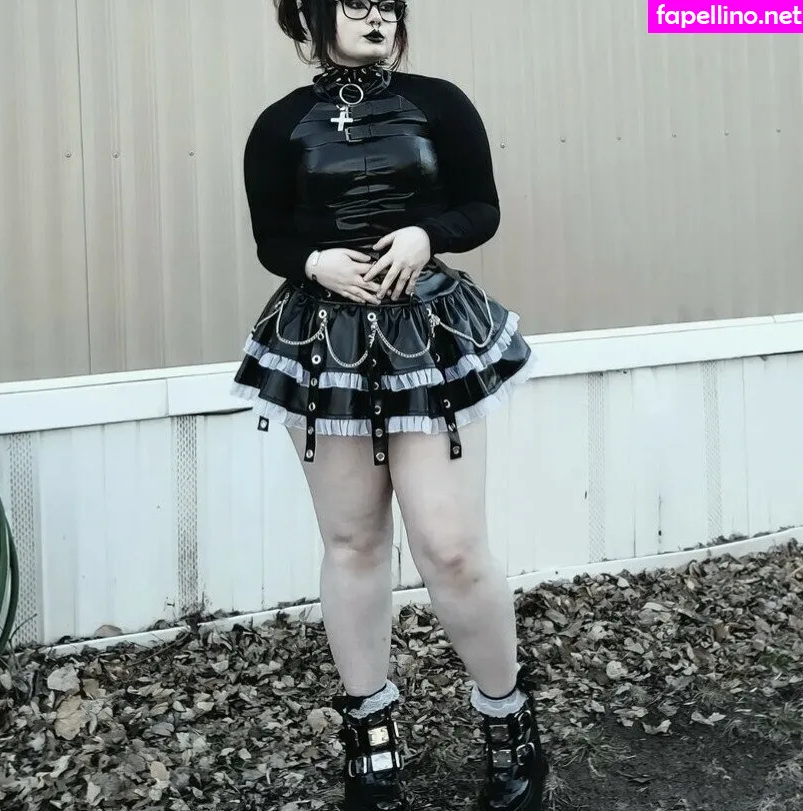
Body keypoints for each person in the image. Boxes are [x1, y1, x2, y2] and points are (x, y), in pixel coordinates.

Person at [231, 1, 549, 809]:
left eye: (389, 4)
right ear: (314, 13)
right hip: (324, 343)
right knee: (353, 543)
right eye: (357, 1)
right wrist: (313, 261)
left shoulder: (441, 102)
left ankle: (510, 722)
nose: (377, 15)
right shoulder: (278, 124)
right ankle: (371, 740)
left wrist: (426, 235)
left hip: (428, 336)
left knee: (451, 545)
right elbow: (271, 237)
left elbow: (482, 207)